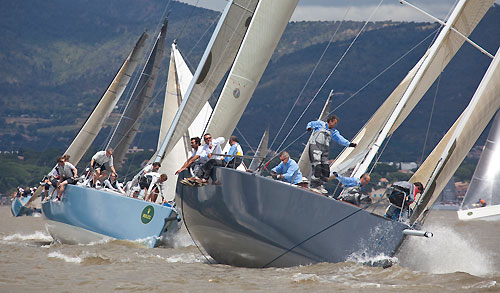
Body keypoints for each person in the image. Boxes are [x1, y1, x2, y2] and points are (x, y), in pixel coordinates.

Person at [306, 115, 357, 193]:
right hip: (315, 147)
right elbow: (311, 123)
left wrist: (350, 144)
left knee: (326, 169)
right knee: (317, 166)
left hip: (324, 151)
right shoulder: (320, 124)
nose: (335, 125)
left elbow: (340, 139)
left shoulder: (333, 132)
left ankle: (319, 185)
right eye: (335, 123)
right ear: (330, 121)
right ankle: (313, 185)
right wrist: (309, 127)